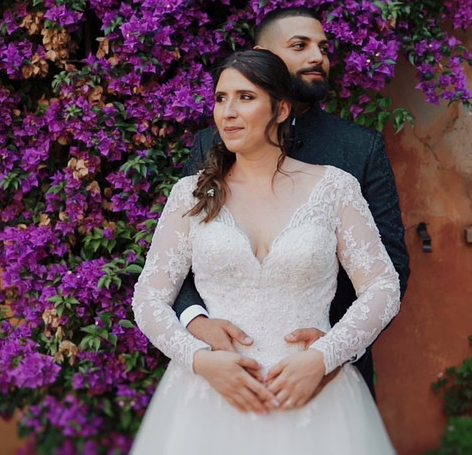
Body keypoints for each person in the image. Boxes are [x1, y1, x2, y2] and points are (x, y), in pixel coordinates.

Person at [130, 49, 400, 454]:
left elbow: (382, 285)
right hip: (210, 399)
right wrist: (200, 360)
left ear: (280, 108)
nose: (228, 112)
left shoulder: (334, 187)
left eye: (245, 97)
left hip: (313, 397)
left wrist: (325, 356)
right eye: (221, 98)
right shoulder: (191, 193)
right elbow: (149, 297)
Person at [173, 6, 411, 408]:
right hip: (224, 374)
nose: (317, 57)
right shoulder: (210, 144)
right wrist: (196, 322)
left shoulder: (359, 148)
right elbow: (179, 258)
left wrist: (333, 352)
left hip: (324, 379)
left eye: (323, 47)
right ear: (259, 57)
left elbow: (390, 266)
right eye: (299, 46)